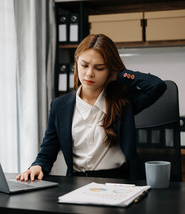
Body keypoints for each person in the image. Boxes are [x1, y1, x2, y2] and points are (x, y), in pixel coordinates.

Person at [17, 33, 166, 182]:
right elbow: (47, 152)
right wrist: (37, 166)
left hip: (119, 183)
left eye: (99, 68)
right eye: (84, 65)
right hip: (76, 183)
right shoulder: (59, 107)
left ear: (110, 70)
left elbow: (157, 86)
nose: (89, 74)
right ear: (76, 62)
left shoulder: (124, 102)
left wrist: (120, 75)